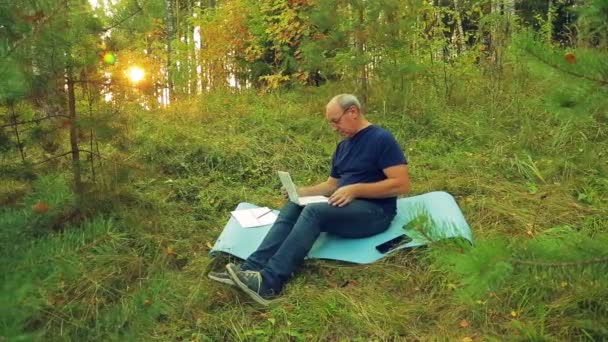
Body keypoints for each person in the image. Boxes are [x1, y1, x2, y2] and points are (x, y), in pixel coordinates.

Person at [209, 94, 410, 305]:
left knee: (315, 211)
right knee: (295, 205)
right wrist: (301, 192)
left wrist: (355, 190)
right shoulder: (343, 147)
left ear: (353, 112)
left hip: (376, 213)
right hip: (347, 208)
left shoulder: (381, 139)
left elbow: (401, 184)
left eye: (335, 120)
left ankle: (268, 282)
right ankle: (250, 269)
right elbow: (332, 185)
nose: (334, 127)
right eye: (330, 123)